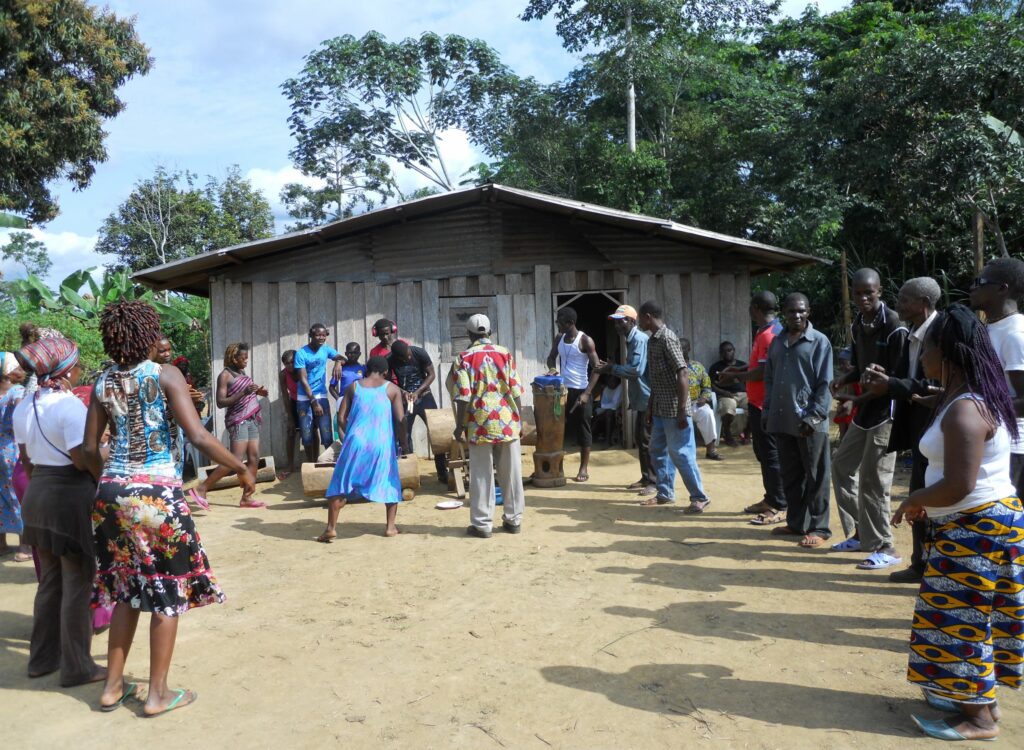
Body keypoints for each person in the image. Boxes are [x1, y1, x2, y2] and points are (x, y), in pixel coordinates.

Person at [85, 299, 254, 716]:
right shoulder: (165, 374)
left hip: (110, 493)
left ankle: (111, 687)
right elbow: (197, 435)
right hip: (156, 495)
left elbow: (89, 448)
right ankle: (157, 694)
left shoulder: (101, 381)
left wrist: (108, 486)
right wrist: (242, 470)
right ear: (147, 334)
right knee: (167, 590)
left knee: (126, 588)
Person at [892, 305, 1023, 742]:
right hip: (979, 526)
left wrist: (914, 499)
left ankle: (979, 719)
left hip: (976, 528)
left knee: (959, 618)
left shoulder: (966, 409)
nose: (922, 357)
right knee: (966, 616)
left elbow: (959, 484)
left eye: (926, 349)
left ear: (946, 355)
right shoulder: (971, 393)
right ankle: (976, 698)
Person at [12, 337, 105, 687]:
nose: (80, 369)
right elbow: (83, 458)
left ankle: (41, 660)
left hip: (37, 498)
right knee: (77, 583)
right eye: (77, 363)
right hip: (68, 499)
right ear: (67, 370)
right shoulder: (70, 408)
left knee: (50, 583)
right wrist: (101, 476)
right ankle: (78, 666)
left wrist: (44, 487)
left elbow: (26, 459)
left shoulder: (25, 406)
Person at [862, 277, 941, 584]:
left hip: (937, 429)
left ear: (923, 303)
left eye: (906, 299)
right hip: (918, 429)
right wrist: (887, 377)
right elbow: (908, 379)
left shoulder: (941, 334)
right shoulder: (910, 334)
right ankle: (920, 564)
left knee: (931, 498)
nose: (899, 304)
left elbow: (938, 386)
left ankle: (932, 566)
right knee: (918, 496)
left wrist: (893, 384)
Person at [830, 268, 909, 569]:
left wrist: (862, 394)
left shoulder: (894, 325)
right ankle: (863, 533)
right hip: (865, 409)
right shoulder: (858, 324)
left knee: (874, 481)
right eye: (858, 293)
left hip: (886, 412)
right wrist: (843, 380)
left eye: (869, 292)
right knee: (842, 466)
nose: (863, 298)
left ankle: (886, 546)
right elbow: (862, 368)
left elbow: (900, 379)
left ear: (879, 291)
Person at [762, 292, 833, 547]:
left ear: (809, 312)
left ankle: (820, 528)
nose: (797, 315)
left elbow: (825, 385)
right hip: (783, 419)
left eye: (801, 311)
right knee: (791, 475)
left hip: (810, 424)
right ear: (785, 313)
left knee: (816, 476)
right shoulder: (778, 342)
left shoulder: (819, 342)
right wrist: (767, 410)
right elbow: (769, 379)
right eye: (792, 311)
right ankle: (796, 523)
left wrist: (814, 417)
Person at [317, 356, 408, 542]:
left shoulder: (354, 387)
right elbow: (400, 420)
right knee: (389, 481)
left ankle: (331, 528)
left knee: (340, 483)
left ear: (367, 369)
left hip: (355, 442)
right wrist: (404, 442)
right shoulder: (392, 389)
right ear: (385, 372)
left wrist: (346, 438)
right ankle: (390, 527)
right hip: (381, 443)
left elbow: (341, 418)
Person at [453, 314, 526, 538]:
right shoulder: (505, 354)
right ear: (490, 333)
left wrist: (459, 426)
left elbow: (463, 397)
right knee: (512, 473)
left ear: (469, 334)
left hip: (479, 422)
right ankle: (513, 521)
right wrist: (519, 418)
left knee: (481, 475)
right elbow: (516, 390)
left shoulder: (464, 358)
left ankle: (482, 524)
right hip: (507, 421)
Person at [718, 292, 787, 525]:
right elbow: (757, 365)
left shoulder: (770, 335)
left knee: (771, 455)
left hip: (767, 404)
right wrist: (738, 372)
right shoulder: (765, 332)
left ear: (755, 308)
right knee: (763, 454)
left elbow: (763, 371)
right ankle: (771, 498)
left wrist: (735, 377)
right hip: (757, 403)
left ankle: (779, 504)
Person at [637, 300, 711, 513]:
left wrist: (681, 410)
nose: (640, 322)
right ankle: (665, 493)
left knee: (681, 452)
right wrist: (651, 407)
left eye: (641, 318)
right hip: (660, 407)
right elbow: (657, 380)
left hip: (674, 408)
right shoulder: (653, 341)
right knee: (657, 449)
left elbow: (683, 372)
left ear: (648, 317)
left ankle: (700, 497)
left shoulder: (668, 339)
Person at [969, 257, 1024, 499]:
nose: (973, 287)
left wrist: (974, 410)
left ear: (1003, 288)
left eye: (979, 282)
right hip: (992, 442)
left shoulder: (1015, 334)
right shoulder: (989, 329)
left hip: (1014, 449)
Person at [188, 342, 266, 509]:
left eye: (247, 358)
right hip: (238, 421)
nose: (246, 361)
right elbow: (221, 402)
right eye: (243, 358)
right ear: (233, 357)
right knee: (235, 460)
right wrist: (244, 392)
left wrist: (257, 392)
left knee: (254, 458)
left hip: (251, 419)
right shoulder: (225, 375)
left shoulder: (241, 372)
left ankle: (247, 497)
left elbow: (244, 392)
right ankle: (202, 488)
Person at [598, 304, 656, 495]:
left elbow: (636, 371)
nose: (617, 326)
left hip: (648, 399)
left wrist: (611, 368)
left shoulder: (639, 339)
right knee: (641, 439)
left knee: (647, 440)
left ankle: (654, 482)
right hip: (641, 399)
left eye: (621, 321)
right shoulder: (630, 340)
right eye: (615, 322)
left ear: (631, 321)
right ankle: (646, 477)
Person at [546, 307, 600, 482]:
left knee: (583, 429)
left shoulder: (585, 341)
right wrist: (553, 370)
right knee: (558, 427)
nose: (557, 325)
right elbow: (551, 357)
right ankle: (557, 465)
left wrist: (586, 393)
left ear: (570, 323)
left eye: (559, 322)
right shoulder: (559, 338)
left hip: (581, 390)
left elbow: (597, 368)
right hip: (562, 390)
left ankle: (583, 468)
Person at [388, 339, 447, 482]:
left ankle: (442, 472)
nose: (408, 358)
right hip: (406, 400)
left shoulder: (419, 352)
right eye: (404, 358)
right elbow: (388, 380)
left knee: (436, 433)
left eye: (408, 355)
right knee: (404, 435)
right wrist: (402, 392)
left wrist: (418, 392)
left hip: (425, 396)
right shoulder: (390, 359)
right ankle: (410, 474)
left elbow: (431, 374)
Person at [294, 324, 344, 463]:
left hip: (321, 395)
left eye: (324, 335)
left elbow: (341, 357)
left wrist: (338, 362)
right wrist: (313, 401)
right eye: (318, 335)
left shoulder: (326, 349)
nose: (321, 338)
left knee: (326, 433)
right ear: (311, 335)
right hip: (305, 397)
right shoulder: (301, 353)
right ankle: (311, 464)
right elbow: (303, 379)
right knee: (307, 434)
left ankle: (330, 464)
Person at [0, 352, 30, 560]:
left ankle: (1, 544)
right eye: (17, 367)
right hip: (12, 449)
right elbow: (21, 412)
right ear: (8, 373)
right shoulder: (18, 391)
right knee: (18, 496)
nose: (22, 370)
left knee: (1, 496)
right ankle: (24, 547)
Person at [680, 338, 722, 461]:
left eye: (683, 348)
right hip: (677, 405)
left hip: (695, 404)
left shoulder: (697, 367)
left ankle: (711, 450)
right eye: (678, 348)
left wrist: (704, 397)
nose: (680, 350)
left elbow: (707, 386)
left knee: (707, 413)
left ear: (689, 349)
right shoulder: (671, 366)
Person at [709, 341, 747, 447]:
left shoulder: (742, 365)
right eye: (724, 351)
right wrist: (723, 392)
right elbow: (711, 384)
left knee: (755, 408)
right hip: (726, 395)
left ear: (734, 350)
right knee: (728, 409)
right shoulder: (716, 367)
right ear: (720, 353)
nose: (727, 353)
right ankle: (727, 434)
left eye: (729, 350)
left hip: (743, 395)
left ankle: (747, 435)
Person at [278, 349, 301, 479]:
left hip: (308, 401)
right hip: (294, 402)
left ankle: (312, 462)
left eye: (292, 362)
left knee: (312, 432)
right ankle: (290, 465)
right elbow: (285, 396)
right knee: (291, 432)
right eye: (287, 363)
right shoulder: (283, 374)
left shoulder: (303, 370)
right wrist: (290, 417)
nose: (290, 365)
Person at [593, 375, 622, 445]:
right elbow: (603, 403)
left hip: (619, 409)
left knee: (609, 413)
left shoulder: (620, 387)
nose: (609, 383)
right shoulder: (607, 388)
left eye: (612, 381)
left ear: (617, 381)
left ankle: (608, 440)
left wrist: (602, 407)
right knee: (595, 415)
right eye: (608, 382)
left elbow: (615, 405)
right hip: (608, 410)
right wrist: (596, 412)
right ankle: (593, 437)